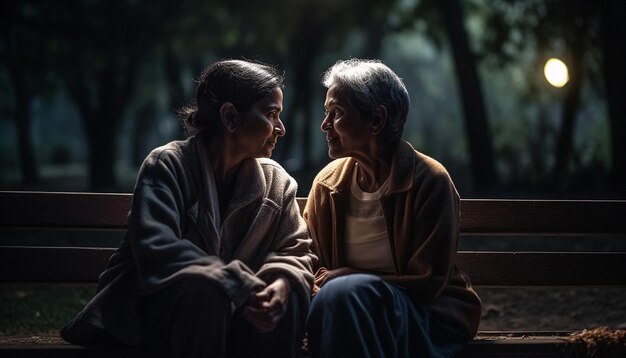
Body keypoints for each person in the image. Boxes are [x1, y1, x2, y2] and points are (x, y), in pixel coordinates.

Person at [61, 59, 316, 358]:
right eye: (271, 114)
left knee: (283, 304)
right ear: (230, 117)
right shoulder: (167, 165)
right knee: (205, 291)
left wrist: (283, 283)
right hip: (157, 316)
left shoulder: (278, 182)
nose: (281, 128)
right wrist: (237, 284)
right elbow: (157, 247)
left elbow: (295, 250)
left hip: (239, 318)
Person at [303, 59, 481, 358]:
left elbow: (428, 282)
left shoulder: (429, 180)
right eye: (326, 113)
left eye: (337, 113)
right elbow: (314, 265)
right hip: (344, 310)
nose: (325, 125)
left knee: (342, 296)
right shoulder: (327, 184)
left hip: (424, 315)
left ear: (376, 120)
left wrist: (349, 278)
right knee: (336, 300)